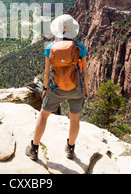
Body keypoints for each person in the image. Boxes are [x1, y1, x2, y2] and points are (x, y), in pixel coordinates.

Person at [25, 14, 89, 161]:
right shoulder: (80, 48)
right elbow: (85, 72)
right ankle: (71, 149)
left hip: (56, 88)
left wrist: (46, 88)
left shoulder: (50, 48)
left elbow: (46, 73)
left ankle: (34, 149)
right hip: (76, 89)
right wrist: (86, 89)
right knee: (74, 119)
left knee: (43, 115)